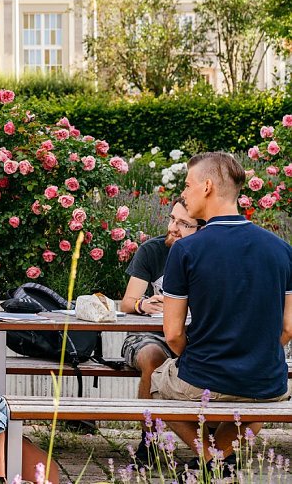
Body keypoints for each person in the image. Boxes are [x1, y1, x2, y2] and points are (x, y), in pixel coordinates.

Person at [155, 152, 292, 475]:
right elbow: (288, 326)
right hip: (268, 380)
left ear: (206, 187)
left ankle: (208, 457)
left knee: (159, 383)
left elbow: (173, 334)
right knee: (262, 400)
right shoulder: (281, 249)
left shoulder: (186, 250)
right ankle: (221, 459)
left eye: (187, 186)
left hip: (205, 374)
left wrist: (203, 358)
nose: (184, 194)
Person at [119, 197, 204, 465]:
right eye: (171, 219)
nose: (173, 228)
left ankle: (212, 446)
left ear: (202, 230)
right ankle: (149, 444)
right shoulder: (153, 250)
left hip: (195, 334)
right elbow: (127, 302)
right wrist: (144, 304)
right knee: (154, 358)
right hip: (148, 334)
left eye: (184, 224)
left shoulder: (209, 256)